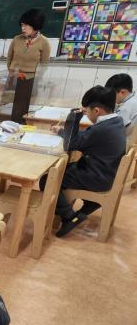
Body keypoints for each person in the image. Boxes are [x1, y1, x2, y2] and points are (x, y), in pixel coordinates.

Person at [47, 86, 126, 237]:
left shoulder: (100, 129)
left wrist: (73, 118)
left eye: (87, 111)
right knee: (66, 169)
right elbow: (83, 140)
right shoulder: (116, 122)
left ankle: (69, 217)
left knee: (48, 178)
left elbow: (70, 145)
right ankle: (88, 207)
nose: (86, 114)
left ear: (96, 111)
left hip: (97, 177)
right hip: (107, 173)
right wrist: (62, 132)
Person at [7, 9, 51, 123]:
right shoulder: (17, 39)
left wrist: (36, 78)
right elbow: (9, 58)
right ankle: (9, 128)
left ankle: (21, 129)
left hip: (30, 80)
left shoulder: (44, 42)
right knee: (9, 108)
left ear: (35, 25)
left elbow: (44, 64)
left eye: (25, 25)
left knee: (24, 110)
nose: (22, 28)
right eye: (21, 25)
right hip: (14, 78)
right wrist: (11, 73)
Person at [105, 73, 137, 140]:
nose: (110, 97)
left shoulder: (126, 107)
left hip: (126, 142)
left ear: (122, 92)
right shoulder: (133, 99)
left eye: (112, 94)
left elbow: (114, 130)